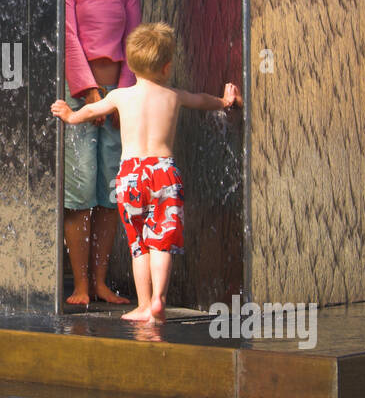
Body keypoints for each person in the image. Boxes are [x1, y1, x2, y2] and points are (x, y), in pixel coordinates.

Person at [53, 22, 240, 323]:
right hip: (164, 172)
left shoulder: (120, 97)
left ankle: (142, 306)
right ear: (167, 67)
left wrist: (70, 116)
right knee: (161, 243)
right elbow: (203, 101)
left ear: (130, 63)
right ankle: (158, 300)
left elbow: (90, 111)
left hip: (130, 176)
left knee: (139, 246)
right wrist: (225, 101)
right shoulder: (174, 95)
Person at [63, 0, 141, 306]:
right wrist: (89, 92)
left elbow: (134, 40)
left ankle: (100, 282)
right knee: (79, 193)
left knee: (110, 195)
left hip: (119, 100)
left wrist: (121, 98)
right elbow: (69, 37)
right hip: (80, 97)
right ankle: (78, 285)